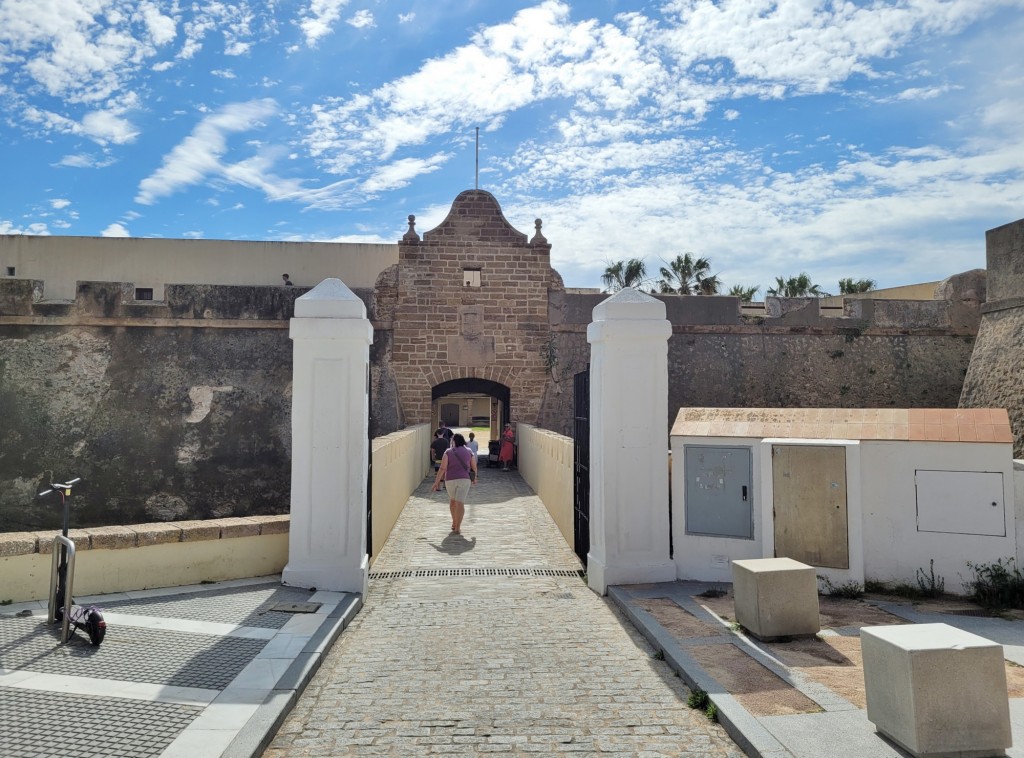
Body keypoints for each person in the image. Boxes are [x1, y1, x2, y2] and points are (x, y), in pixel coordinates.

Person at [432, 433, 476, 534]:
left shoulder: (448, 452)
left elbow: (442, 468)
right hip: (464, 480)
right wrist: (475, 477)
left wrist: (436, 482)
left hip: (450, 480)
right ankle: (457, 527)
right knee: (460, 502)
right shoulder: (469, 451)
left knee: (453, 501)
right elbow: (474, 467)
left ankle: (454, 522)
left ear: (454, 441)